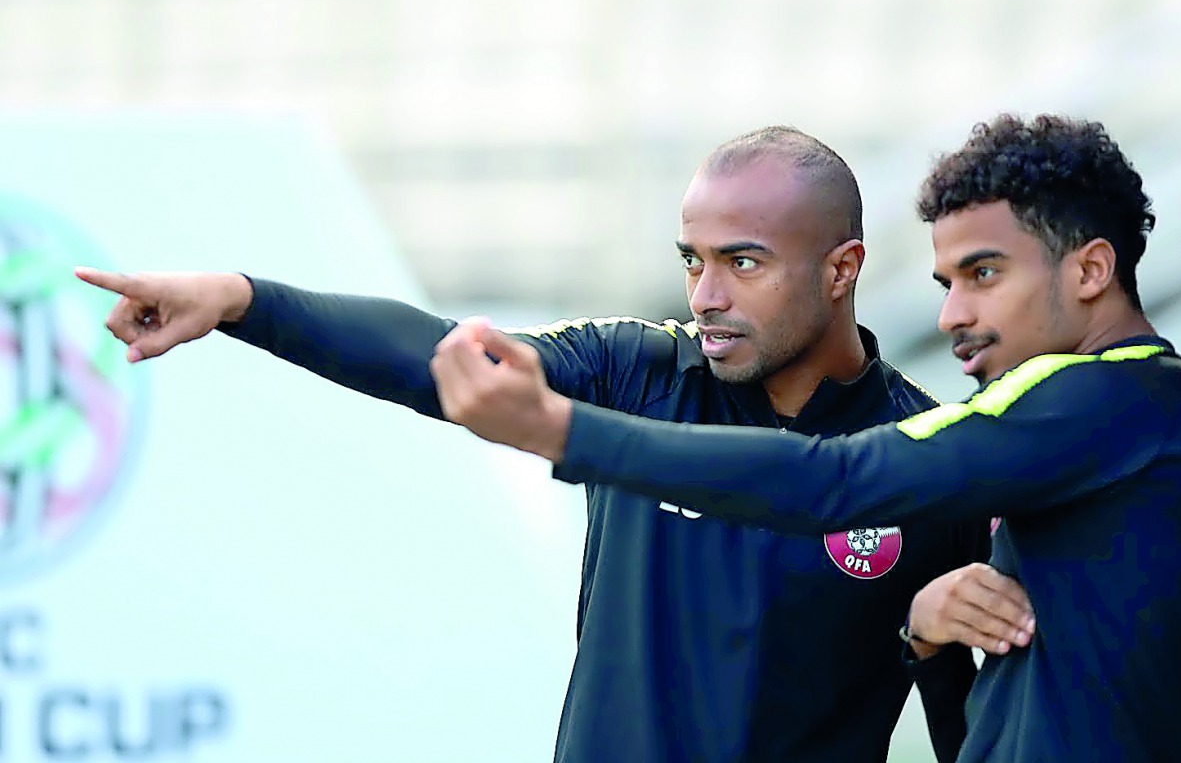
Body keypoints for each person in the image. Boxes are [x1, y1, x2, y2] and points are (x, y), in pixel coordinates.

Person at [77, 127, 1026, 763]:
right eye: (693, 261)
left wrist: (927, 644)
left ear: (842, 270)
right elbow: (441, 357)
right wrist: (243, 301)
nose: (706, 296)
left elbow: (965, 731)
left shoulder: (925, 457)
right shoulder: (637, 370)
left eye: (744, 263)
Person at [428, 114, 1181, 762]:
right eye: (946, 283)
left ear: (1092, 269)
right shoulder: (1081, 437)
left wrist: (563, 429)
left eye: (984, 274)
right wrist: (927, 636)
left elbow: (829, 479)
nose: (951, 315)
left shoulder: (1095, 400)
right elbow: (1000, 719)